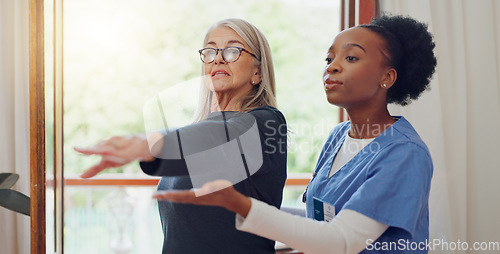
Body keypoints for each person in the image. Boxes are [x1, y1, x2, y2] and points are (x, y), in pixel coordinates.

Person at [154, 14, 437, 254]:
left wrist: (240, 206)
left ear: (387, 77)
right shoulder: (338, 137)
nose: (332, 66)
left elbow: (342, 240)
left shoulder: (404, 154)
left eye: (351, 57)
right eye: (329, 57)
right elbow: (322, 219)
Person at [75, 18, 287, 254]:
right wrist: (148, 151)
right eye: (210, 51)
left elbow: (227, 135)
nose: (217, 58)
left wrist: (145, 144)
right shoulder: (194, 135)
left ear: (257, 71)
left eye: (232, 50)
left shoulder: (267, 123)